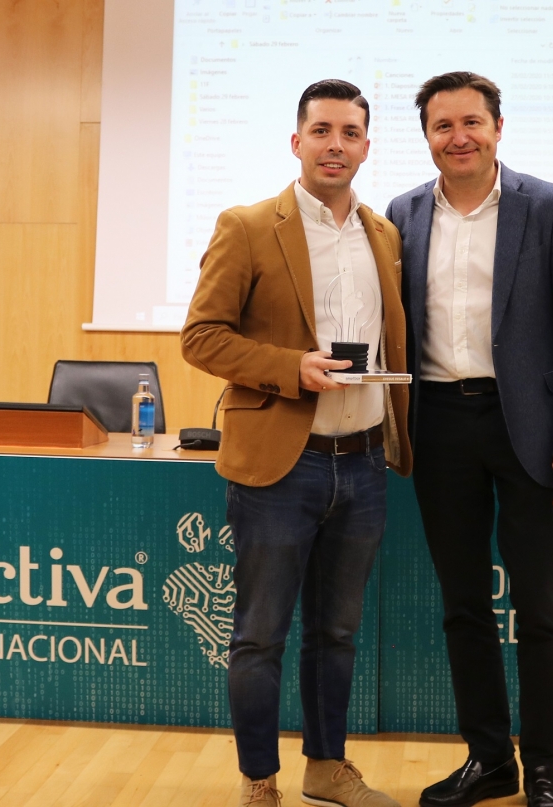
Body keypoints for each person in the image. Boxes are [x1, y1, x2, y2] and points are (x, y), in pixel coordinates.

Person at [182, 79, 411, 807]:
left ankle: (326, 767)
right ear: (296, 141)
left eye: (350, 133)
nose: (335, 145)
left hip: (364, 463)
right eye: (321, 131)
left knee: (336, 632)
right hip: (281, 468)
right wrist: (292, 368)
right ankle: (260, 779)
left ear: (366, 147)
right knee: (260, 635)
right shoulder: (248, 226)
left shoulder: (385, 235)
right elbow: (201, 336)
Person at [385, 72, 553, 807]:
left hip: (531, 433)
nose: (459, 137)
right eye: (443, 125)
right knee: (463, 605)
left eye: (472, 122)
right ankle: (489, 760)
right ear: (427, 137)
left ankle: (542, 767)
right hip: (440, 426)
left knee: (540, 607)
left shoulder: (548, 206)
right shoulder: (403, 214)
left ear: (498, 127)